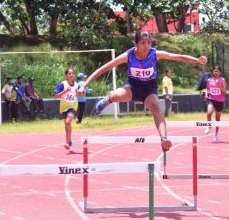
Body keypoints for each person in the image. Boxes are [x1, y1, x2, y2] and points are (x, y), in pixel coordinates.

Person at [78, 30, 207, 152]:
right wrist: (84, 85)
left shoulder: (154, 54)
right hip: (133, 87)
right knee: (115, 95)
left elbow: (176, 57)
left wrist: (197, 60)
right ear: (136, 44)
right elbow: (104, 68)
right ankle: (107, 100)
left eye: (149, 43)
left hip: (149, 89)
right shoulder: (128, 55)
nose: (146, 46)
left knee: (156, 108)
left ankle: (164, 139)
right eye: (143, 43)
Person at [53, 68, 79, 150]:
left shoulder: (77, 85)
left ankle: (67, 142)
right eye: (69, 73)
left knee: (68, 121)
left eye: (72, 73)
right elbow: (55, 96)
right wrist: (65, 91)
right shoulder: (62, 84)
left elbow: (81, 93)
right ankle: (69, 140)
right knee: (67, 124)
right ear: (66, 75)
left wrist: (82, 92)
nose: (71, 75)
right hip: (64, 106)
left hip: (73, 105)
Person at [203, 66, 226, 142]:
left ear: (220, 72)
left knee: (217, 119)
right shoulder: (209, 80)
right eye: (214, 71)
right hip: (211, 99)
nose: (216, 72)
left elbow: (224, 92)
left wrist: (219, 85)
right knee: (209, 113)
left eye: (217, 71)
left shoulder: (222, 80)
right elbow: (207, 89)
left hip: (220, 101)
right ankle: (209, 126)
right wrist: (206, 94)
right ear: (212, 72)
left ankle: (216, 134)